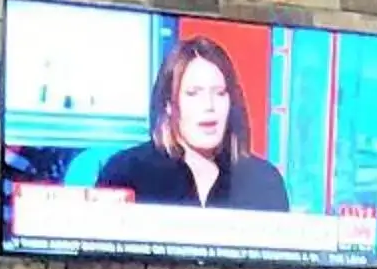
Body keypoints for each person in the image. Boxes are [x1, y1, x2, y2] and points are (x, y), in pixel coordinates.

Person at [96, 37, 290, 211]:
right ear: (169, 104)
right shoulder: (126, 173)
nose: (209, 105)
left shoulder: (264, 181)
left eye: (219, 93)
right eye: (193, 93)